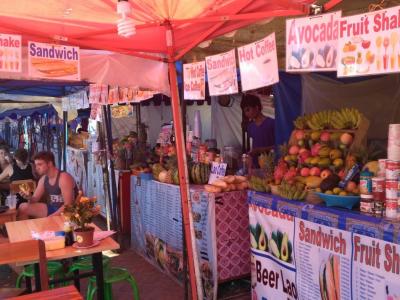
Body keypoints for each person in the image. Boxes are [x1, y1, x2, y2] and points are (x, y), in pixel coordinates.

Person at [18, 151, 78, 219]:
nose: (36, 168)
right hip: (53, 208)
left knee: (48, 219)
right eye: (36, 165)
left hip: (69, 212)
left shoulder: (64, 178)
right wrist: (28, 196)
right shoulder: (43, 179)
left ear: (49, 163)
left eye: (39, 164)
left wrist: (51, 217)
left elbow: (69, 205)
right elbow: (34, 201)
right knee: (23, 207)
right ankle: (24, 229)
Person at [240, 94, 275, 167]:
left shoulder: (272, 123)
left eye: (248, 110)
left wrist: (261, 150)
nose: (246, 114)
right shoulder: (250, 127)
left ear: (257, 107)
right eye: (245, 111)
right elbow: (252, 147)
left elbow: (277, 146)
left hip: (270, 165)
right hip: (255, 166)